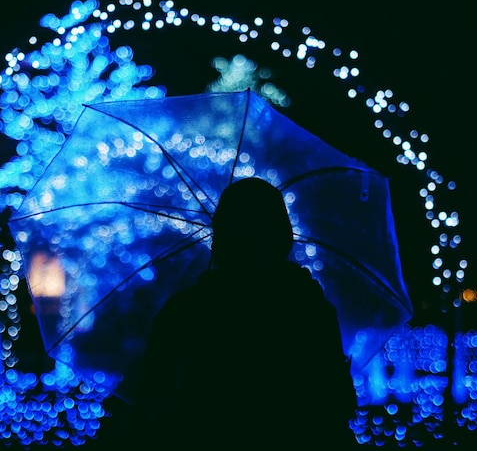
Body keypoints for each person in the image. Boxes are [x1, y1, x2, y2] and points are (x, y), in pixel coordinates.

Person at [129, 177, 358, 449]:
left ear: (220, 237)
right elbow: (337, 406)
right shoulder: (310, 307)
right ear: (283, 234)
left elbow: (152, 405)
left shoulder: (187, 311)